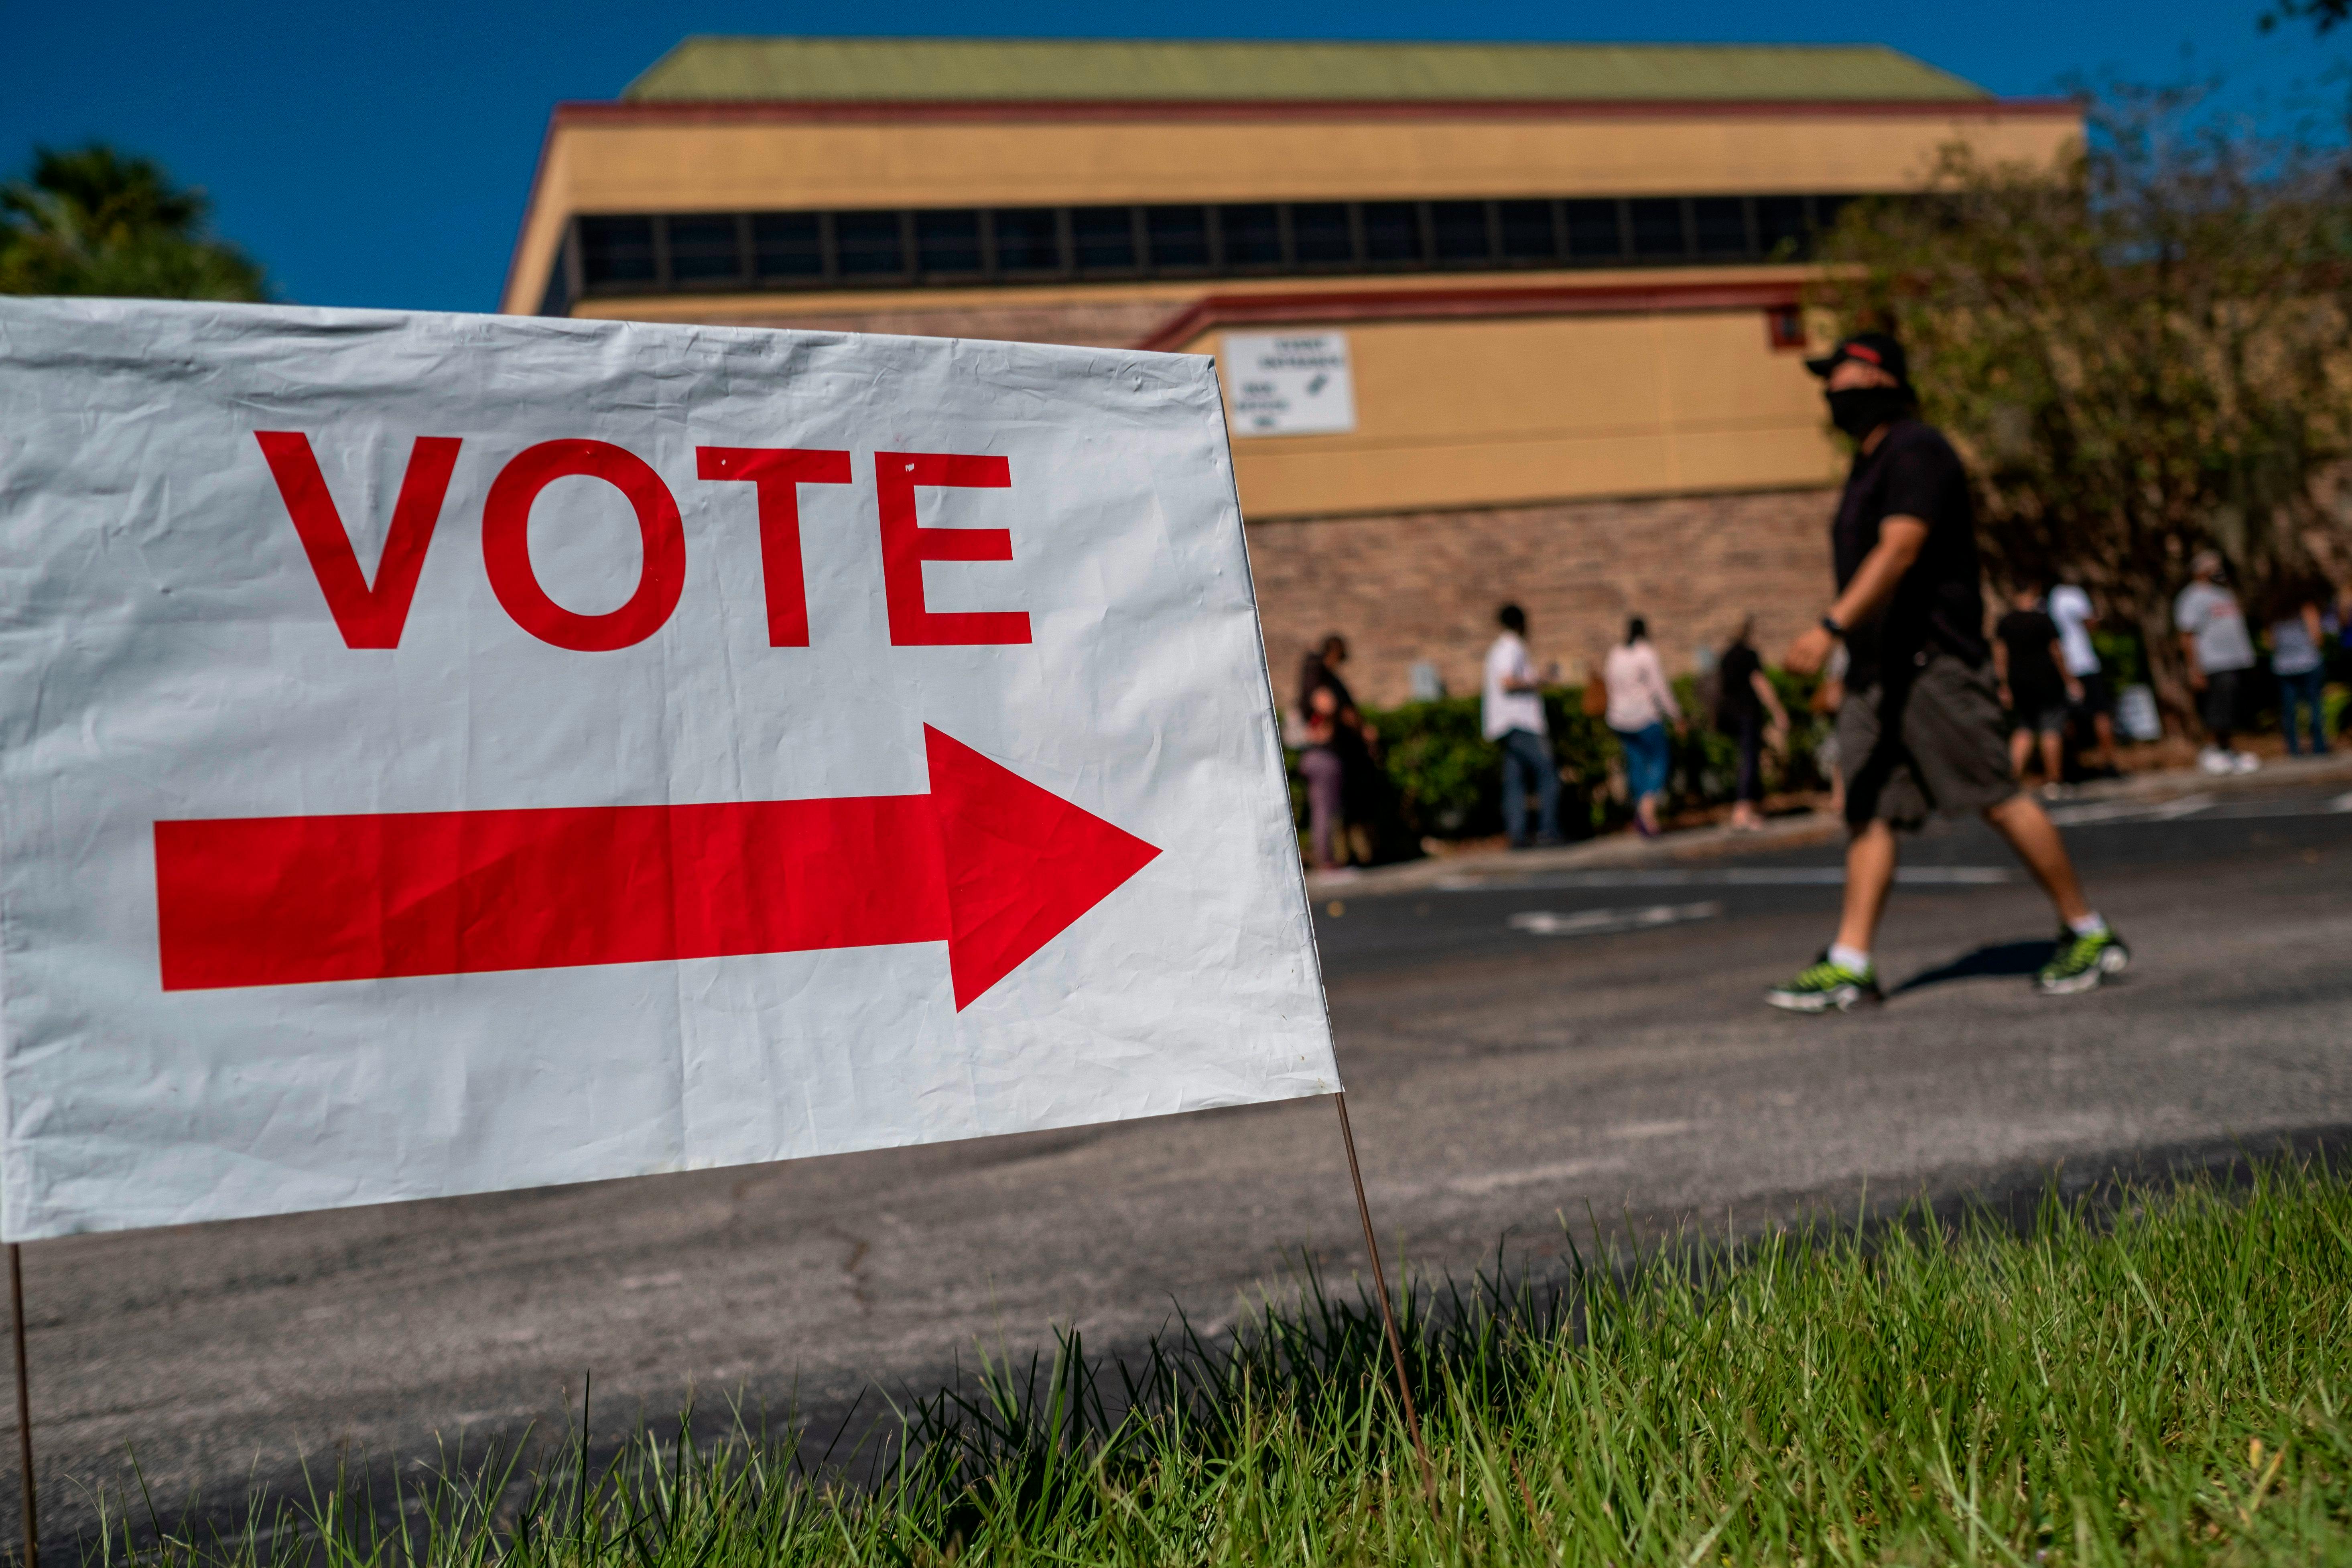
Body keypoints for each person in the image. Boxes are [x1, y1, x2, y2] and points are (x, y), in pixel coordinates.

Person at [1771, 331, 2128, 1010]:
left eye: (1842, 376)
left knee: (1994, 792)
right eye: (1827, 380)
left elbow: (1900, 549)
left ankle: (2088, 930)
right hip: (1876, 672)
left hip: (1929, 662)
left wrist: (1829, 627)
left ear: (1883, 380)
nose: (1830, 390)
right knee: (1869, 809)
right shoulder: (1865, 463)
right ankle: (1850, 962)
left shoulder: (1916, 450)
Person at [1482, 605, 1563, 848]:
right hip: (1520, 722)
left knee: (1514, 780)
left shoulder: (1497, 649)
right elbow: (1507, 682)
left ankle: (1517, 835)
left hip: (1503, 724)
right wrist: (1539, 679)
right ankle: (1548, 831)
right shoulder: (1513, 647)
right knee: (1548, 773)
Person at [2174, 551, 2259, 775]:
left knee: (2231, 708)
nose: (2218, 571)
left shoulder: (2223, 594)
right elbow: (2187, 634)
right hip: (2214, 662)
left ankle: (2228, 750)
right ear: (2200, 571)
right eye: (2213, 567)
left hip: (2235, 660)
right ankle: (2212, 751)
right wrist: (2194, 668)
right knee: (2217, 709)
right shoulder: (2191, 597)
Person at [1298, 634, 1379, 867]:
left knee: (1333, 810)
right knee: (1326, 812)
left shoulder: (1320, 678)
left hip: (1328, 754)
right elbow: (1327, 705)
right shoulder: (1318, 678)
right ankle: (1328, 861)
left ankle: (1339, 858)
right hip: (1324, 755)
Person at [1604, 617, 1684, 838]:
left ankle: (1644, 815)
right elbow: (1660, 688)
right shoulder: (1646, 653)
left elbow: (1610, 684)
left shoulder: (1616, 654)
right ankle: (1647, 809)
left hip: (1620, 719)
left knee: (1636, 763)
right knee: (1661, 758)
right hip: (1644, 716)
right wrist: (1676, 714)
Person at [1993, 585, 2075, 795]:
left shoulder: (2006, 622)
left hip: (2019, 683)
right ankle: (2054, 782)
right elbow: (2057, 652)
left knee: (2023, 731)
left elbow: (2000, 657)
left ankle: (2010, 781)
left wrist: (2003, 685)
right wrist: (2069, 679)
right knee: (2051, 730)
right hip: (2047, 681)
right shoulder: (2043, 620)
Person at [1716, 616, 1791, 831]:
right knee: (1750, 759)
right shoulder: (1748, 655)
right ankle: (1742, 811)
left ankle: (1755, 808)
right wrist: (1777, 710)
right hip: (1747, 713)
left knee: (1749, 758)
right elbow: (1760, 682)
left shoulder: (1727, 656)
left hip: (1729, 715)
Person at [2046, 580, 2116, 772]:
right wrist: (2097, 616)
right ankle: (2108, 763)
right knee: (2100, 713)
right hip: (2084, 662)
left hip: (2061, 665)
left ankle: (2073, 766)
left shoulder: (2047, 600)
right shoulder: (2073, 594)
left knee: (2067, 717)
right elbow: (2090, 624)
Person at [2266, 571, 2332, 757]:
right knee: (2315, 706)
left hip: (2283, 666)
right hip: (2308, 662)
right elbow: (2317, 635)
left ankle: (2294, 749)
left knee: (2289, 711)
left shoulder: (2274, 611)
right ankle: (2319, 747)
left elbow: (2271, 642)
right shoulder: (2306, 608)